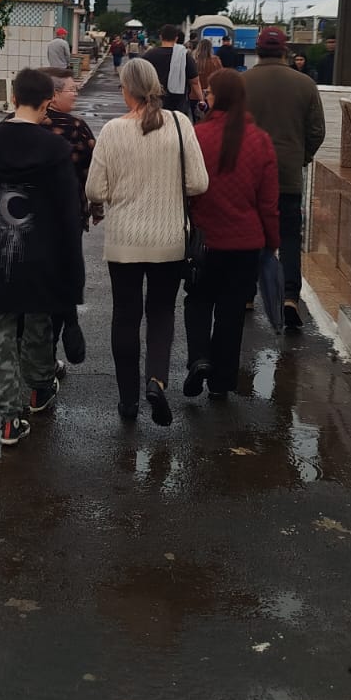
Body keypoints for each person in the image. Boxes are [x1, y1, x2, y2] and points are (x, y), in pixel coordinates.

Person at [0, 68, 85, 447]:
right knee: (38, 326)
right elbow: (67, 213)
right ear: (47, 103)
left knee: (0, 338)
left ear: (13, 99)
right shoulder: (56, 149)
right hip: (41, 255)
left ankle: (9, 421)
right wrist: (70, 273)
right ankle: (39, 388)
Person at [86, 58, 208, 426]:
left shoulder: (111, 131)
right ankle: (155, 380)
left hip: (124, 242)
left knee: (125, 317)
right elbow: (198, 183)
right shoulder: (180, 123)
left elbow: (94, 188)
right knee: (160, 314)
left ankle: (127, 401)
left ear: (126, 90)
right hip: (168, 240)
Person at [184, 69, 279, 399]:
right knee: (231, 311)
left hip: (204, 241)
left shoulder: (198, 136)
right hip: (245, 243)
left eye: (209, 92)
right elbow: (268, 201)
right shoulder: (260, 140)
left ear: (217, 98)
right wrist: (272, 242)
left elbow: (187, 189)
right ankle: (222, 381)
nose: (205, 96)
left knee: (197, 301)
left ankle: (198, 359)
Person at [242, 27, 326, 330]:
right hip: (288, 175)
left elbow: (231, 127)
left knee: (250, 235)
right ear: (285, 50)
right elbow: (317, 131)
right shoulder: (305, 84)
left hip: (250, 176)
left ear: (258, 48)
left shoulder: (243, 82)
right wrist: (299, 159)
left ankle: (247, 294)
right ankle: (290, 297)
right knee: (290, 237)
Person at [38, 66, 98, 369]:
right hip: (67, 221)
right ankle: (56, 341)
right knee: (63, 280)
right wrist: (95, 207)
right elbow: (94, 175)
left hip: (24, 224)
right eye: (70, 89)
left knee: (32, 290)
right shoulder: (76, 129)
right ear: (51, 96)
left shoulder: (15, 126)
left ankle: (36, 358)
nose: (75, 93)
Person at [142, 24, 202, 117]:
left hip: (153, 103)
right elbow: (195, 81)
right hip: (177, 104)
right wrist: (201, 100)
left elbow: (140, 78)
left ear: (160, 37)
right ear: (176, 38)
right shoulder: (184, 56)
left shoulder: (149, 55)